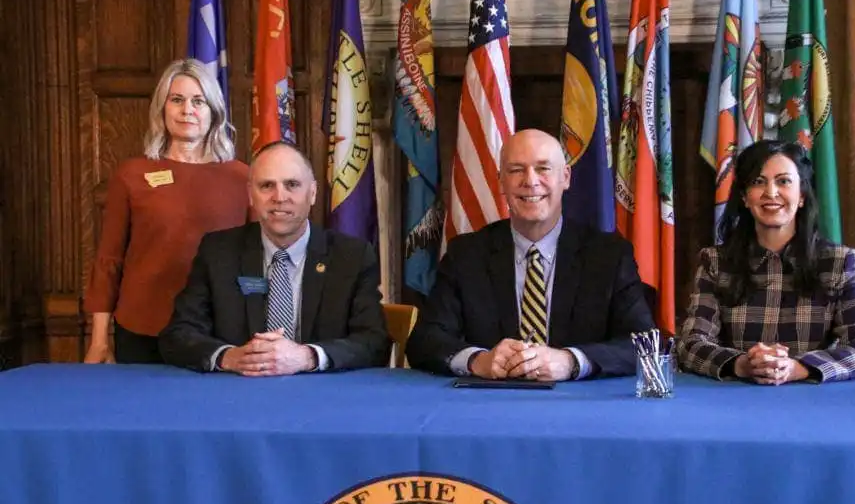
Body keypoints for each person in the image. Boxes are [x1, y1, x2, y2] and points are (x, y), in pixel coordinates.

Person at [406, 129, 654, 381]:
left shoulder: (609, 256)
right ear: (500, 180)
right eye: (516, 170)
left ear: (565, 177)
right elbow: (425, 340)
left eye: (543, 168)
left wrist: (571, 361)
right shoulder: (466, 255)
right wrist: (477, 361)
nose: (530, 181)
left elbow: (643, 343)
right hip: (489, 408)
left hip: (580, 409)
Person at [159, 141, 390, 375]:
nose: (280, 197)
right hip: (236, 394)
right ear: (251, 195)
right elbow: (179, 334)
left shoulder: (351, 256)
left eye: (292, 184)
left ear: (312, 193)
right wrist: (229, 357)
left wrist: (307, 357)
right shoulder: (218, 251)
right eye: (267, 185)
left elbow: (374, 342)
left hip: (322, 398)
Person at [83, 59, 250, 364]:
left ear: (214, 111)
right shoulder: (131, 174)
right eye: (177, 100)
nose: (188, 109)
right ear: (162, 108)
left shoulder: (243, 178)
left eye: (198, 101)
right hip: (142, 327)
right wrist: (99, 340)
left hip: (218, 332)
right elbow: (109, 258)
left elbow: (258, 260)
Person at [678, 139, 855, 384]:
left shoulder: (839, 262)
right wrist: (742, 364)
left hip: (813, 403)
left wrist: (798, 368)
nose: (771, 192)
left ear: (802, 196)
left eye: (783, 181)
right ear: (744, 197)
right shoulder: (715, 262)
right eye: (758, 182)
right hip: (735, 401)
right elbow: (690, 345)